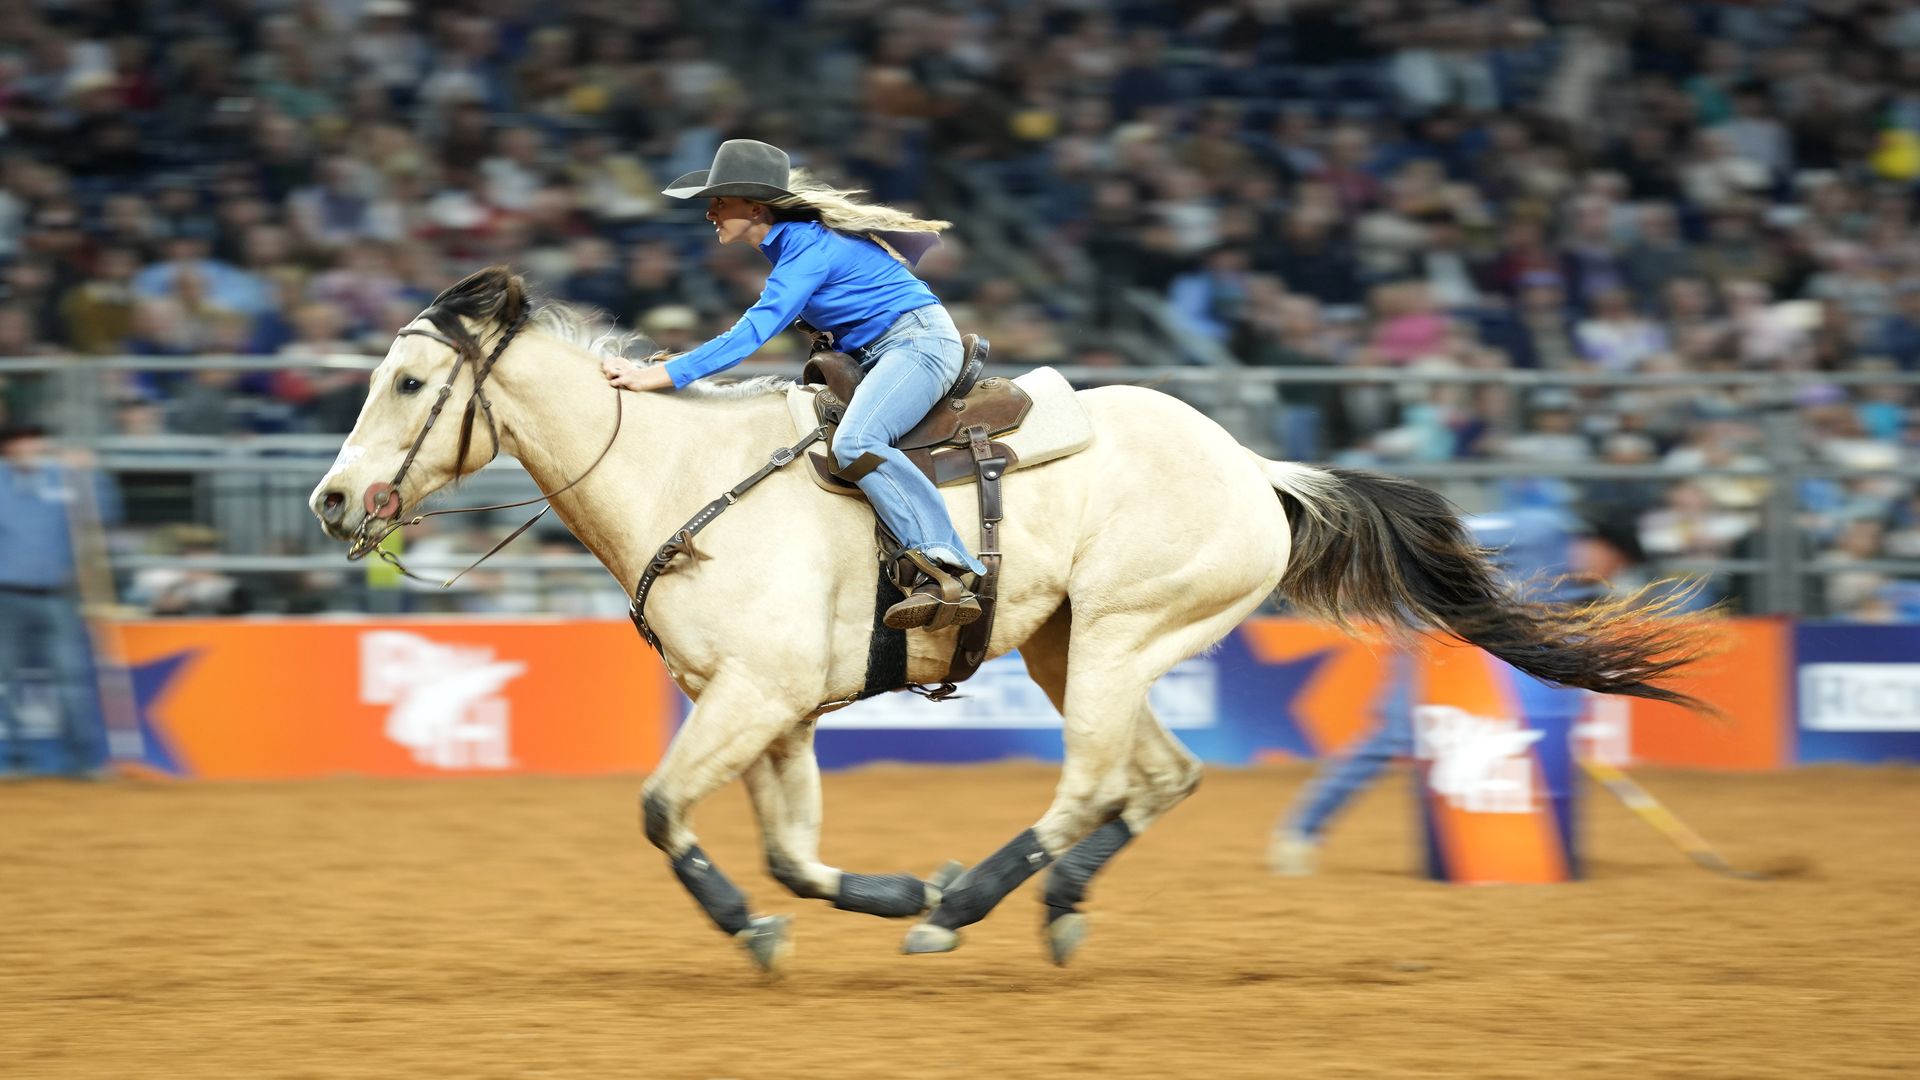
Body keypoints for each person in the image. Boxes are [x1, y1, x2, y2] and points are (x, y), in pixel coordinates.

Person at [600, 140, 987, 631]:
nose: (710, 214)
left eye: (719, 202)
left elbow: (753, 333)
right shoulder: (798, 245)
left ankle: (944, 563)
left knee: (856, 442)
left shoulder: (805, 248)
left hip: (916, 345)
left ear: (755, 207)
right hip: (889, 348)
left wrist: (657, 374)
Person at [1268, 507, 1636, 875]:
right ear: (1600, 546)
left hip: (1474, 650)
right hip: (1428, 622)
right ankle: (1300, 833)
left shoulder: (1573, 588)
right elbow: (1448, 533)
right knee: (1397, 733)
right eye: (1616, 564)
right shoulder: (1538, 530)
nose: (1611, 576)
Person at [0, 424, 115, 777]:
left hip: (59, 596)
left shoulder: (66, 479)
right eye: (22, 443)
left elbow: (104, 516)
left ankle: (84, 762)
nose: (30, 449)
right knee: (4, 681)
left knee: (72, 681)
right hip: (6, 596)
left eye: (35, 442)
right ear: (8, 450)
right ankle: (13, 761)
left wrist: (92, 477)